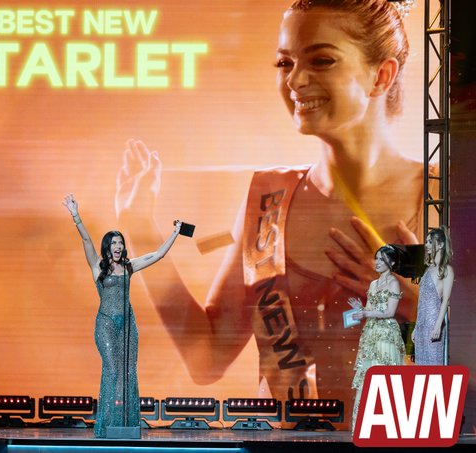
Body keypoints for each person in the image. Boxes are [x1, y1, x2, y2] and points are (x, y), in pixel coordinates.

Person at [115, 0, 424, 425]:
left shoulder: (445, 198)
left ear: (381, 75)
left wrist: (419, 309)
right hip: (283, 445)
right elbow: (207, 357)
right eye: (284, 63)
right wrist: (140, 229)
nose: (295, 80)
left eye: (321, 60)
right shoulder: (268, 199)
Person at [62, 194, 181, 438]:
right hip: (106, 324)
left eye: (120, 243)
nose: (118, 246)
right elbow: (86, 239)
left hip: (127, 325)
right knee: (112, 370)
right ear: (107, 247)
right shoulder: (97, 266)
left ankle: (127, 423)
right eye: (114, 243)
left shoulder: (129, 266)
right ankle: (107, 424)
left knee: (128, 372)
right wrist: (75, 215)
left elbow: (158, 254)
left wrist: (176, 232)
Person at [348, 245, 406, 428]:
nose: (377, 262)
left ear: (392, 263)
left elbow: (389, 312)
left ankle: (388, 426)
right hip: (371, 333)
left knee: (384, 376)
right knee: (368, 375)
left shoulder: (394, 283)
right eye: (377, 258)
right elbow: (370, 310)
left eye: (382, 259)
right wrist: (360, 309)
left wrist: (366, 313)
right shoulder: (373, 284)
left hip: (386, 334)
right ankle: (365, 425)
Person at [412, 226, 454, 365]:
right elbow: (421, 302)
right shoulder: (428, 269)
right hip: (422, 324)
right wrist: (416, 327)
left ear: (440, 245)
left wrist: (437, 326)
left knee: (434, 365)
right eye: (426, 242)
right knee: (421, 367)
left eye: (430, 242)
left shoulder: (446, 270)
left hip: (433, 323)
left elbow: (445, 300)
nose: (427, 245)